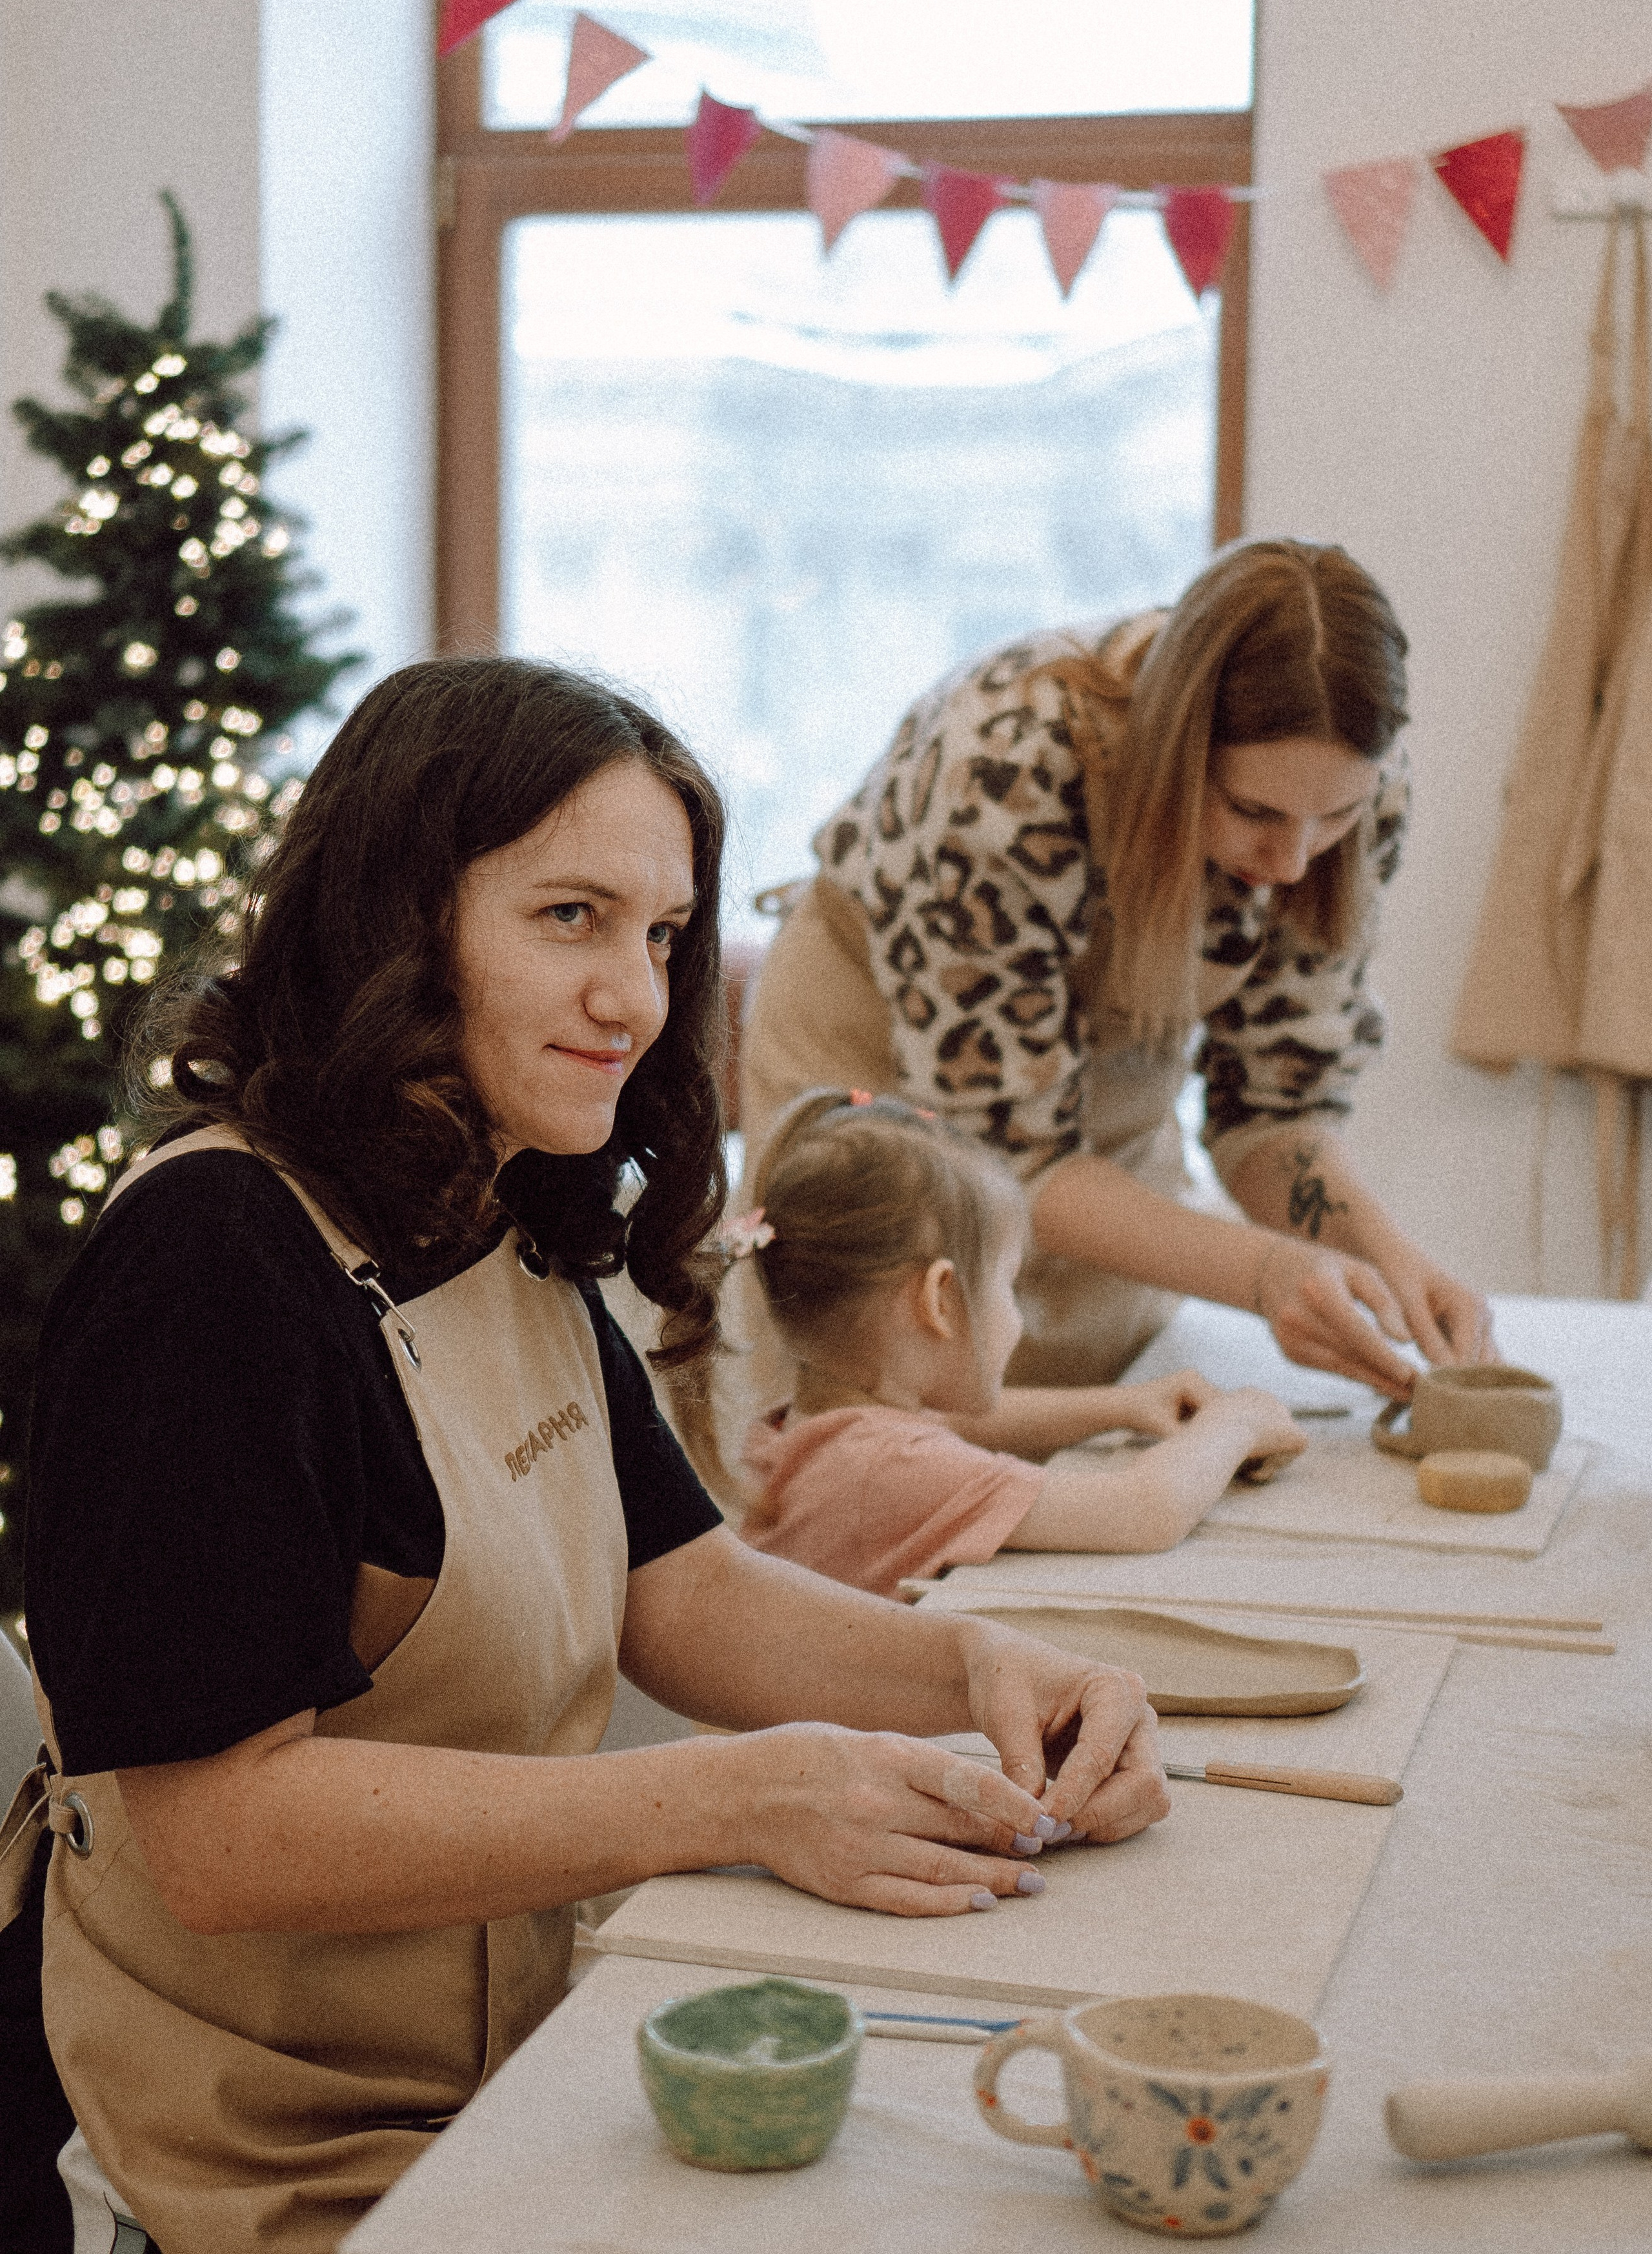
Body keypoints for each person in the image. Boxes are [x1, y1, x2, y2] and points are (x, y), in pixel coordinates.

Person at [5, 661, 1169, 2254]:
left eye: (663, 933)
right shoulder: (212, 1268)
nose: (634, 995)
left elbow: (679, 1590)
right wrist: (741, 1793)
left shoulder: (496, 1208)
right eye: (570, 917)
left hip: (496, 2070)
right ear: (394, 919)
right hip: (249, 2149)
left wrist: (980, 1667)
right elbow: (220, 1837)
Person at [738, 540, 1495, 1435]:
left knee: (1114, 1414)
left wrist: (1390, 1262)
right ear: (1177, 756)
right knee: (875, 1424)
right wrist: (1265, 1275)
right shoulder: (1004, 763)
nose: (1293, 861)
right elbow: (1013, 1155)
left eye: (1334, 818)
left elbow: (1274, 1110)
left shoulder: (1349, 778)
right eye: (1254, 812)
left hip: (1106, 1080)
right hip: (878, 1063)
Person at [736, 1089, 1307, 1599]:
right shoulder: (887, 1471)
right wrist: (1240, 1421)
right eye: (1008, 1286)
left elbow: (952, 1425)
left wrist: (1122, 1405)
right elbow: (1146, 1509)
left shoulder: (815, 1428)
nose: (1019, 1315)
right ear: (940, 1300)